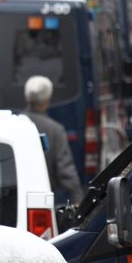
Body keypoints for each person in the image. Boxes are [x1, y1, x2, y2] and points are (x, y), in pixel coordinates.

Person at [22, 76, 84, 204]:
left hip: (13, 196)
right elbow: (65, 169)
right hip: (42, 199)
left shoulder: (16, 124)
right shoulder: (55, 129)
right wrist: (78, 200)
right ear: (46, 101)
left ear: (27, 98)